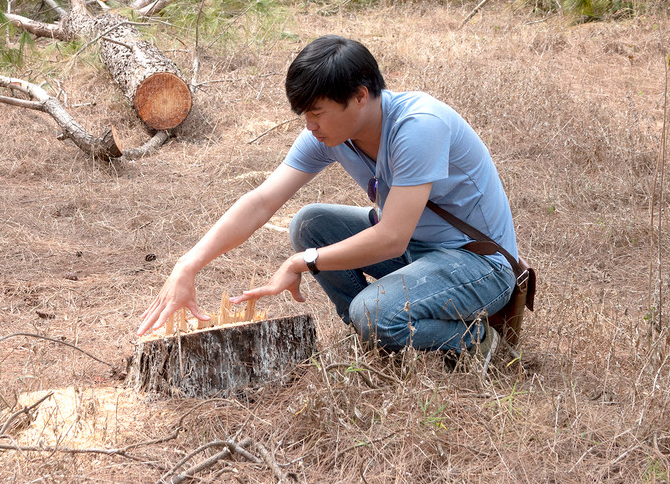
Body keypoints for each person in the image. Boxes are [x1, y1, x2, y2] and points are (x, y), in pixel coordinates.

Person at [138, 35, 517, 365]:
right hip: (420, 250)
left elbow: (392, 238)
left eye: (317, 113)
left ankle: (474, 340)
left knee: (371, 311)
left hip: (477, 263)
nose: (310, 126)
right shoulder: (331, 135)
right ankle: (379, 329)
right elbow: (262, 201)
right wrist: (188, 265)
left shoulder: (419, 126)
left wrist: (304, 261)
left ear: (360, 96)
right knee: (310, 223)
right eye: (305, 114)